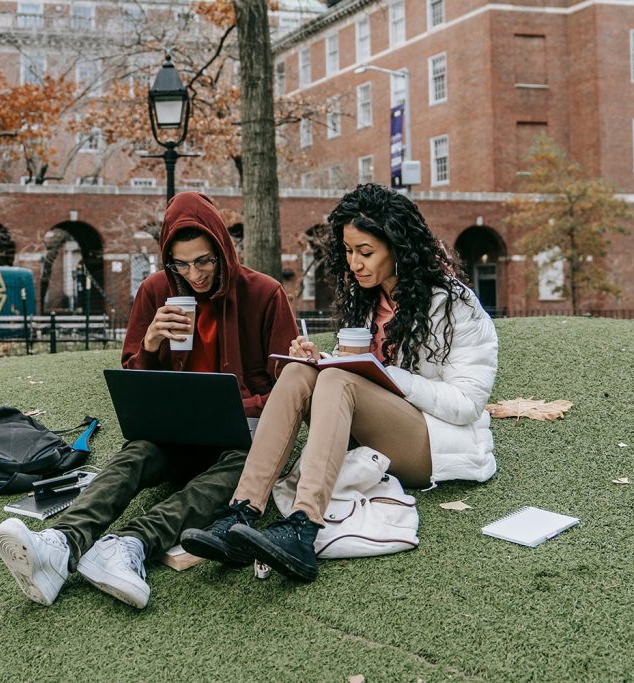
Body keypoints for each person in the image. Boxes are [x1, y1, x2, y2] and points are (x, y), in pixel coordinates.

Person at [0, 191, 297, 608]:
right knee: (135, 453)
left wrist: (238, 406)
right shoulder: (156, 290)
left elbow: (289, 390)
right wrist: (151, 342)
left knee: (244, 465)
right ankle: (60, 544)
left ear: (224, 250)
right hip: (175, 434)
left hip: (239, 437)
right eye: (182, 263)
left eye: (205, 260)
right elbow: (134, 383)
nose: (195, 274)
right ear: (167, 259)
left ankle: (129, 544)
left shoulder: (264, 293)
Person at [181, 183, 498, 581]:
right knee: (299, 372)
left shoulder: (454, 304)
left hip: (432, 442)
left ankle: (303, 525)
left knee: (337, 383)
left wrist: (380, 374)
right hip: (372, 430)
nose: (355, 264)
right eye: (348, 252)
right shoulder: (367, 301)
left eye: (366, 253)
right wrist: (324, 360)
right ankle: (241, 511)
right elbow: (363, 375)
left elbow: (467, 403)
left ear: (399, 248)